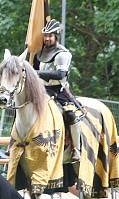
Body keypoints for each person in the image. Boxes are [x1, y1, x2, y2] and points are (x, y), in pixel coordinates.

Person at [33, 19, 83, 162]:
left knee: (70, 114)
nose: (47, 38)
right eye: (46, 35)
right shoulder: (40, 53)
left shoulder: (62, 54)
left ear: (56, 36)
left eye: (50, 35)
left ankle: (76, 149)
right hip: (41, 90)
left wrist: (37, 73)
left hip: (59, 91)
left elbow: (60, 75)